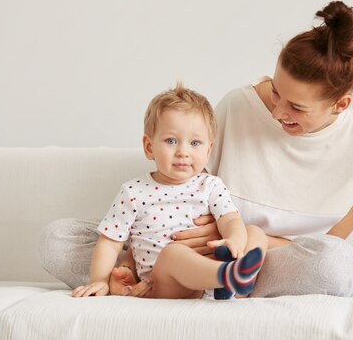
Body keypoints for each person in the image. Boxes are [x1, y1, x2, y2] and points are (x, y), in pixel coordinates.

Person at [40, 0, 353, 297]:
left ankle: (231, 278)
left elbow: (327, 245)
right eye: (276, 93)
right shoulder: (237, 106)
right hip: (178, 243)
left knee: (336, 265)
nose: (278, 112)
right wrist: (139, 253)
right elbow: (188, 184)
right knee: (58, 240)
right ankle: (146, 278)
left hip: (270, 262)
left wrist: (241, 238)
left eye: (296, 108)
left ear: (341, 105)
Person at [71, 84, 267, 300]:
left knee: (254, 232)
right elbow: (110, 243)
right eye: (171, 141)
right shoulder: (133, 192)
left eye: (195, 143)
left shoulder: (211, 185)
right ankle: (227, 276)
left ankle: (235, 279)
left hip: (211, 270)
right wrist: (99, 280)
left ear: (208, 150)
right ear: (148, 147)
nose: (183, 152)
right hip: (167, 283)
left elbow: (230, 219)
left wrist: (235, 241)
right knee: (174, 253)